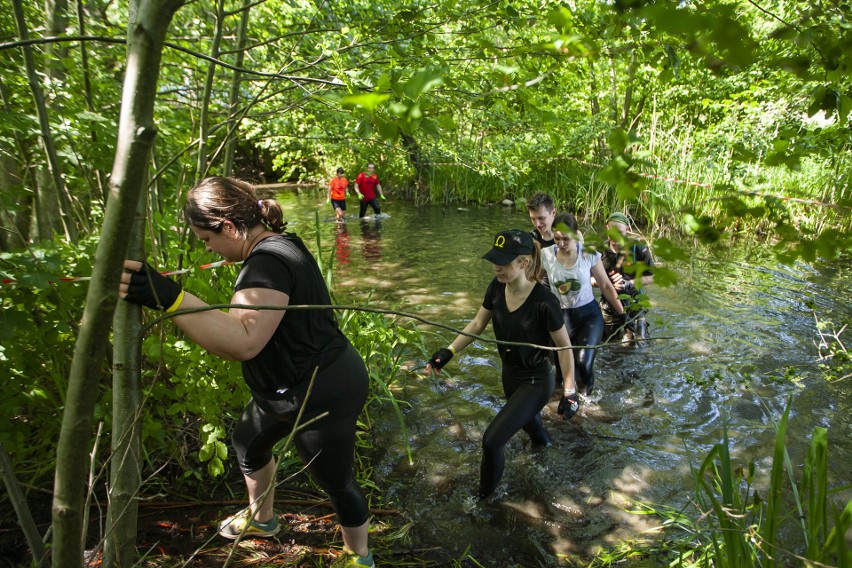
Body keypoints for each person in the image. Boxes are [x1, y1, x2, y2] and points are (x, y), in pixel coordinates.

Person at [119, 176, 374, 568]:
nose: (208, 247)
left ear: (228, 226)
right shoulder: (279, 245)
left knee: (334, 481)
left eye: (206, 239)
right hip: (284, 389)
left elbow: (243, 341)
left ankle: (360, 557)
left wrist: (169, 297)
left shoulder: (267, 263)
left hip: (321, 389)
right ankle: (263, 520)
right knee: (247, 443)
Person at [426, 229, 578, 500]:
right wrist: (449, 351)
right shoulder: (496, 288)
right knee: (533, 430)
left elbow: (564, 347)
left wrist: (569, 390)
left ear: (524, 263)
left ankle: (484, 504)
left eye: (504, 261)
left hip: (536, 381)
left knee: (492, 441)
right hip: (510, 377)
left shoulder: (545, 301)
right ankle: (546, 450)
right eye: (495, 259)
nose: (496, 266)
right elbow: (477, 324)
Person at [540, 213, 624, 395]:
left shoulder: (588, 254)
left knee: (583, 365)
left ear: (577, 234)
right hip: (560, 320)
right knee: (561, 373)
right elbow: (535, 283)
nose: (561, 244)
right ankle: (563, 405)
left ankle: (587, 403)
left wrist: (622, 314)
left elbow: (606, 286)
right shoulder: (546, 255)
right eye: (557, 239)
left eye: (566, 239)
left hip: (589, 317)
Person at [597, 211, 654, 343]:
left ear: (627, 229)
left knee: (639, 346)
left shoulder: (639, 249)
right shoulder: (600, 252)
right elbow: (588, 280)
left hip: (634, 305)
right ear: (607, 228)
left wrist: (630, 283)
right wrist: (605, 282)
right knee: (609, 346)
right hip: (609, 307)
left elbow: (653, 277)